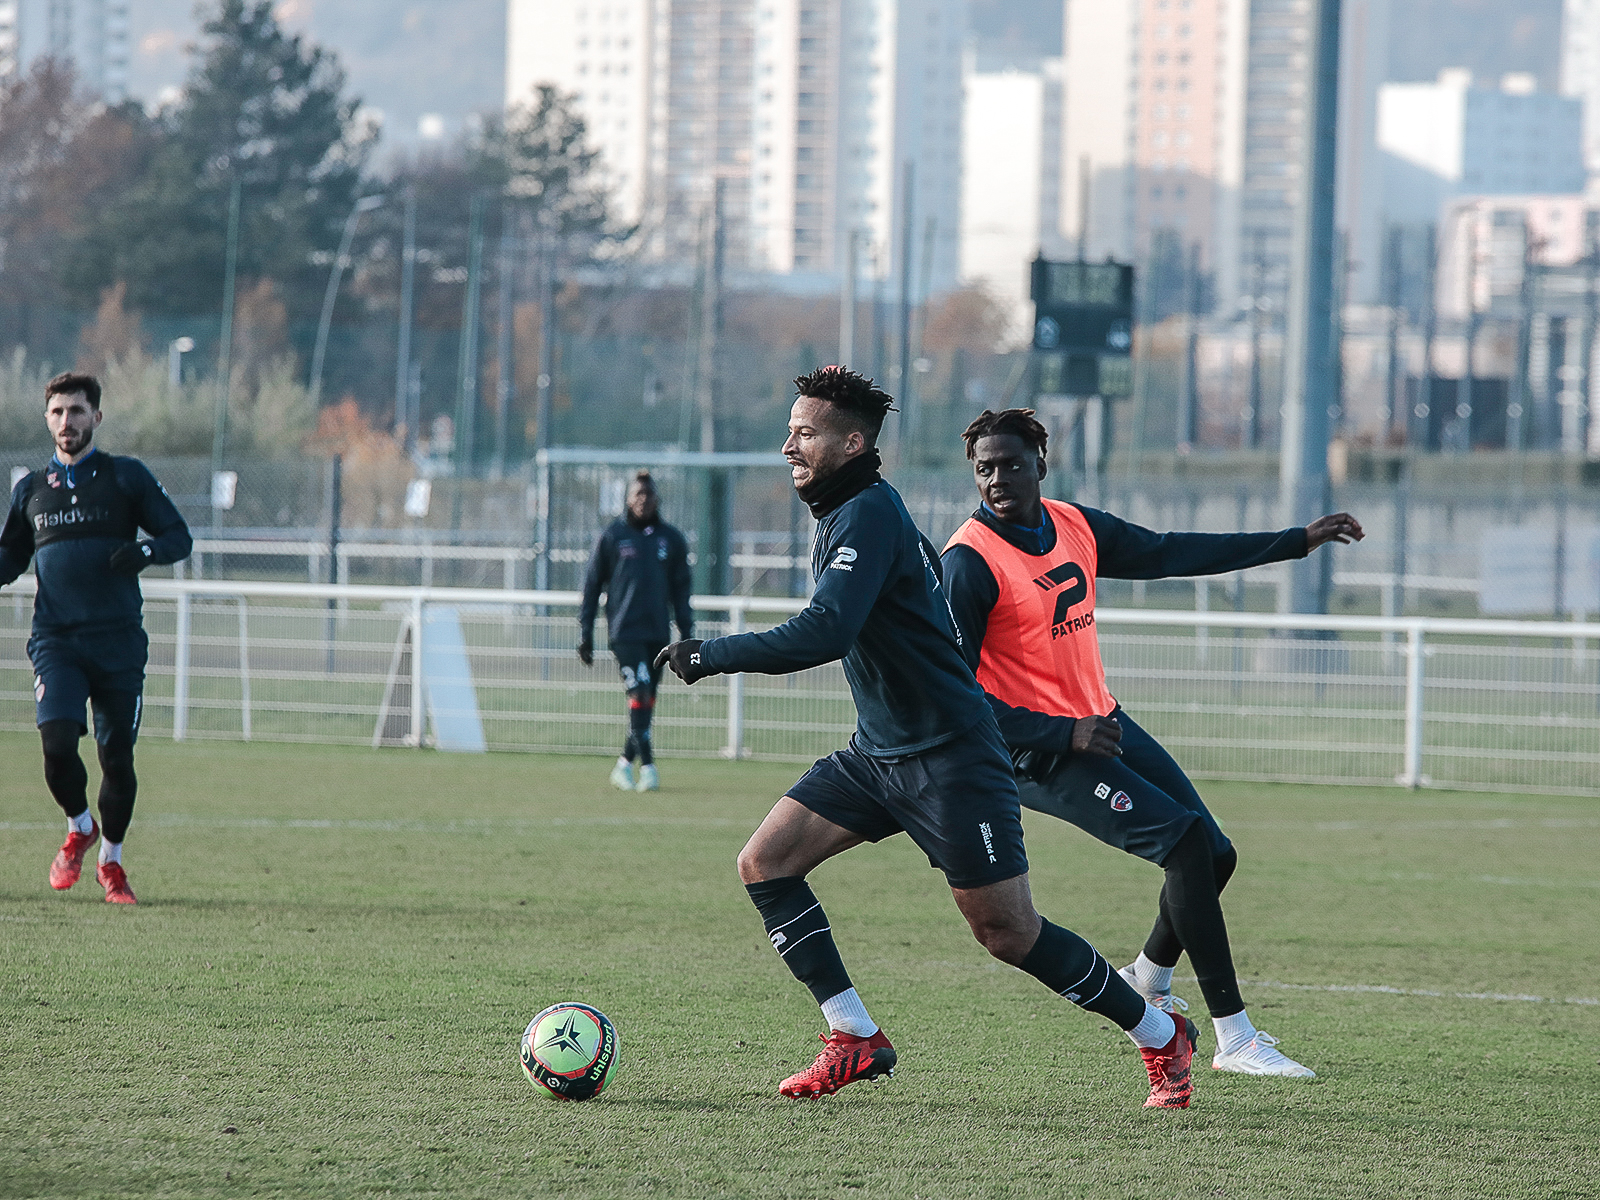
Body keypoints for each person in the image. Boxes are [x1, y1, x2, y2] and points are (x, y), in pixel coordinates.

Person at [654, 367, 1201, 1109]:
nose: (788, 445)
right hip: (878, 753)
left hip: (951, 759)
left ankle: (1158, 1034)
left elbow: (828, 629)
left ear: (852, 443)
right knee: (765, 862)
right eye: (790, 430)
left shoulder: (868, 514)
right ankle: (853, 1036)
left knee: (1009, 934)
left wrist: (709, 653)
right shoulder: (845, 509)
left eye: (804, 433)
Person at [940, 407, 1365, 1078]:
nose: (996, 478)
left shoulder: (1072, 524)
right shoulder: (967, 563)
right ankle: (1236, 1038)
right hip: (1037, 754)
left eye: (1011, 464)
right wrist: (1061, 733)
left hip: (1099, 723)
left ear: (1041, 466)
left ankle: (1147, 974)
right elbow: (953, 699)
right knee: (1184, 844)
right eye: (984, 468)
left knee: (1214, 854)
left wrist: (1295, 541)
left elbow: (1170, 550)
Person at [0, 372, 193, 904]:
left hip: (118, 644)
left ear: (97, 418)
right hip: (57, 640)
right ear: (47, 420)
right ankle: (78, 824)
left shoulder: (126, 477)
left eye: (78, 411)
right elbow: (12, 556)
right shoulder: (31, 490)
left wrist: (146, 553)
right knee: (57, 745)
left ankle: (112, 860)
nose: (68, 422)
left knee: (117, 757)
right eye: (58, 412)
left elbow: (178, 536)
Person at [578, 470, 692, 792]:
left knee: (647, 700)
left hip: (657, 633)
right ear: (628, 498)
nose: (643, 500)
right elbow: (591, 586)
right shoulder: (613, 536)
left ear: (656, 499)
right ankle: (650, 768)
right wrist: (585, 632)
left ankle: (624, 765)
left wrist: (687, 632)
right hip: (624, 632)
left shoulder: (670, 539)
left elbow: (681, 591)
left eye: (649, 495)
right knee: (639, 691)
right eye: (637, 494)